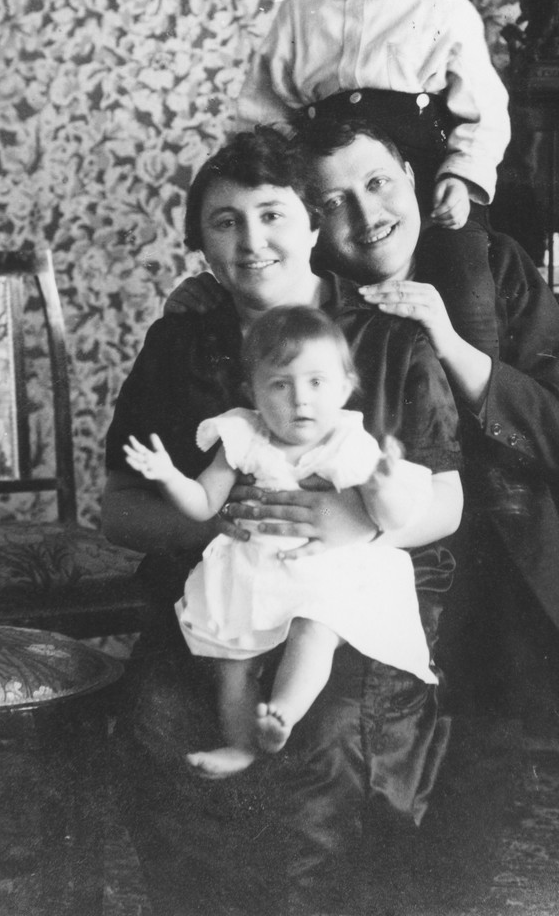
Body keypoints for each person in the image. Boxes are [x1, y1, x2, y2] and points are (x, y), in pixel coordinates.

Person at [102, 126, 463, 916]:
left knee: (325, 740)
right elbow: (116, 507)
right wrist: (219, 520)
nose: (252, 240)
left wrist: (358, 519)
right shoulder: (178, 344)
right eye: (225, 222)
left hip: (349, 600)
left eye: (271, 214)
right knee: (161, 720)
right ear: (201, 242)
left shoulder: (388, 340)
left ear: (310, 222)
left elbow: (447, 501)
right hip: (221, 598)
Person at [168, 117, 559, 726]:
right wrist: (208, 294)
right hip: (362, 557)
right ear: (314, 224)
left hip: (493, 555)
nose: (368, 214)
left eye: (378, 182)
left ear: (411, 176)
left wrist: (451, 344)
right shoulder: (311, 310)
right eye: (333, 202)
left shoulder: (491, 267)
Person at [122, 303, 447, 780]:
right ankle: (241, 745)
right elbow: (204, 505)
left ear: (344, 387)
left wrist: (380, 484)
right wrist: (169, 477)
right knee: (232, 663)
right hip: (254, 572)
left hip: (327, 572)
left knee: (313, 630)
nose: (300, 400)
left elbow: (393, 519)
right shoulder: (243, 435)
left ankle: (285, 713)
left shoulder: (348, 442)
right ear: (253, 392)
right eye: (280, 384)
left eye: (316, 383)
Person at [235, 0, 511, 358]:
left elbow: (485, 113)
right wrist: (282, 190)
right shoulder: (302, 6)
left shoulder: (441, 5)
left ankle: (474, 411)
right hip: (331, 200)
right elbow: (263, 109)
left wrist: (462, 177)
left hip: (430, 196)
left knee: (468, 292)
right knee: (312, 308)